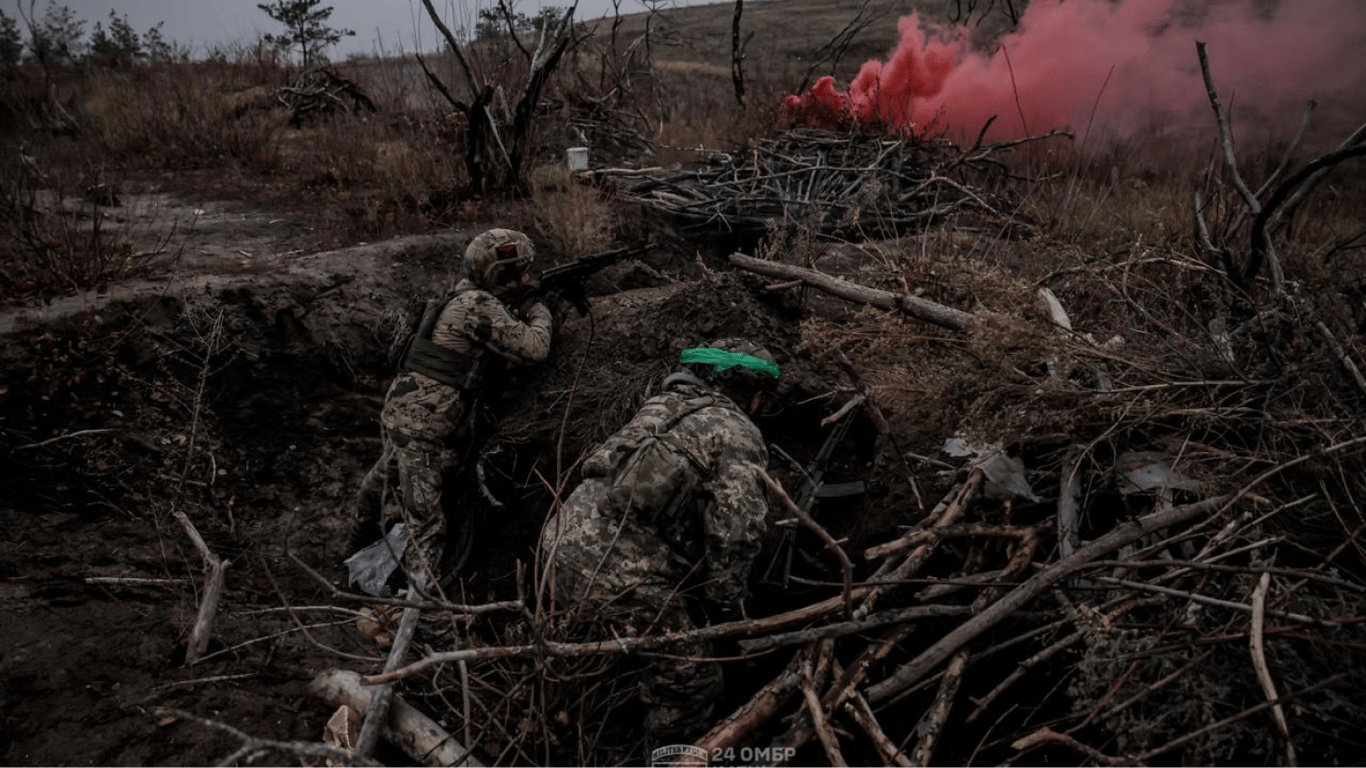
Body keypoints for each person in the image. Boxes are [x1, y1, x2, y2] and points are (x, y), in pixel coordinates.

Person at [540, 338, 779, 740]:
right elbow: (738, 535)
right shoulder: (737, 433)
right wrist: (728, 608)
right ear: (754, 397)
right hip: (616, 583)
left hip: (556, 547)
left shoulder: (660, 405)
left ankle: (584, 718)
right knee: (692, 684)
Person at [351, 228, 553, 592]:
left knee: (375, 489)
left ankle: (353, 559)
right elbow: (536, 348)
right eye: (518, 273)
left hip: (401, 420)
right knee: (426, 526)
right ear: (497, 276)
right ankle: (416, 611)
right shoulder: (477, 305)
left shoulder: (458, 296)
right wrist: (539, 310)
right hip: (423, 431)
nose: (525, 278)